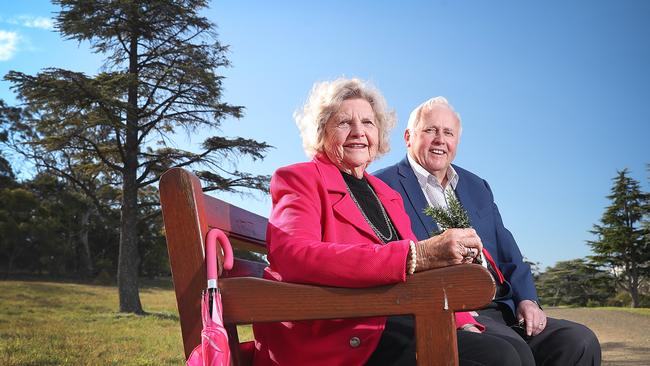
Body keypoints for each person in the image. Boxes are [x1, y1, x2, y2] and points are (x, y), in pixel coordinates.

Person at [252, 78, 528, 366]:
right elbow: (293, 256)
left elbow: (424, 272)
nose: (358, 132)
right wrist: (416, 254)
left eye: (369, 123)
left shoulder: (386, 194)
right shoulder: (300, 179)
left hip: (392, 319)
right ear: (322, 131)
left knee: (511, 351)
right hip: (337, 332)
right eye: (344, 122)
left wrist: (459, 320)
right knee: (500, 359)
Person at [375, 96, 602, 366]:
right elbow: (390, 262)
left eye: (448, 132)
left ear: (457, 140)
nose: (440, 139)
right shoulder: (382, 186)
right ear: (408, 137)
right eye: (430, 130)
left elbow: (509, 254)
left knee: (579, 342)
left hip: (500, 307)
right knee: (512, 353)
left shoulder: (476, 186)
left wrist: (528, 299)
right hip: (445, 311)